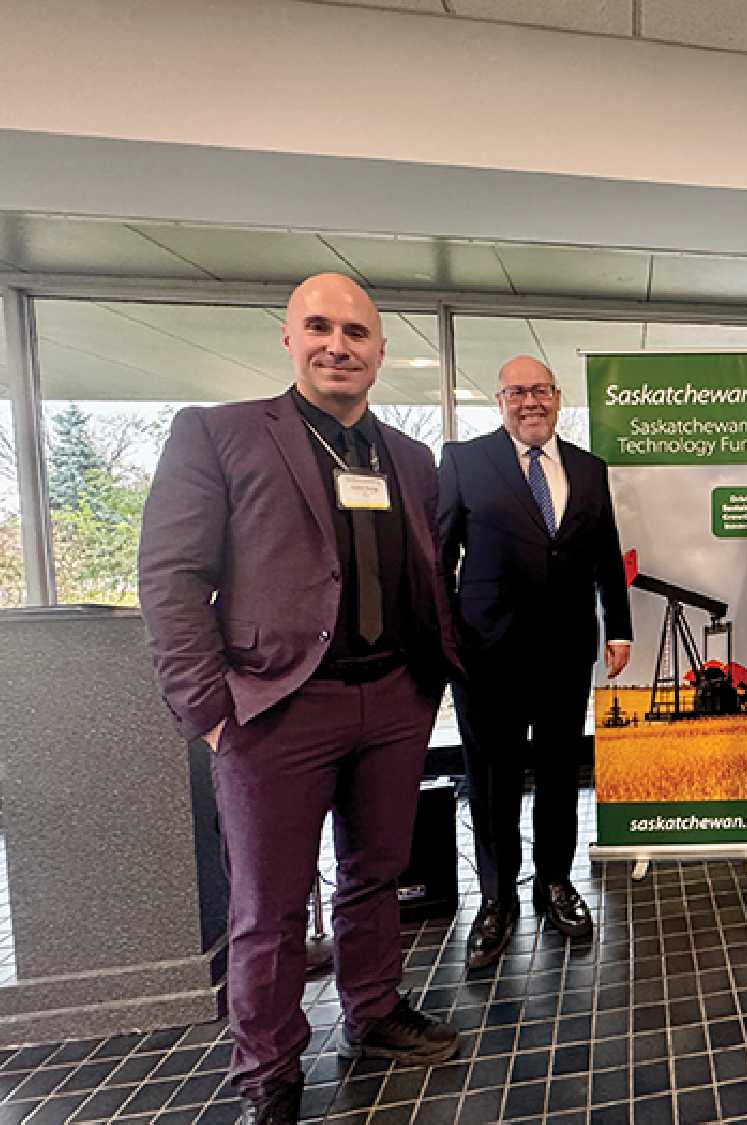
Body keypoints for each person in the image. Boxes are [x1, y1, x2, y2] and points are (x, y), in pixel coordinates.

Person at [138, 274, 462, 1125]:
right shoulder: (219, 434)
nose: (339, 345)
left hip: (393, 697)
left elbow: (425, 571)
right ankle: (270, 1071)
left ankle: (374, 1006)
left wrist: (430, 679)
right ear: (288, 337)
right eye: (319, 327)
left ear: (380, 351)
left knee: (376, 874)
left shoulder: (410, 457)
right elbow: (171, 578)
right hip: (274, 707)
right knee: (269, 907)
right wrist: (206, 707)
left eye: (356, 332)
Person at [438, 355, 631, 967]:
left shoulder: (590, 469)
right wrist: (446, 637)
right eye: (517, 391)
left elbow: (605, 554)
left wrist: (618, 629)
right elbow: (437, 558)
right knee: (491, 781)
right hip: (484, 654)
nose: (531, 401)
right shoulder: (465, 462)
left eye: (541, 391)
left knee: (557, 777)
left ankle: (555, 884)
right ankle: (496, 902)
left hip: (565, 652)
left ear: (557, 397)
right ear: (499, 399)